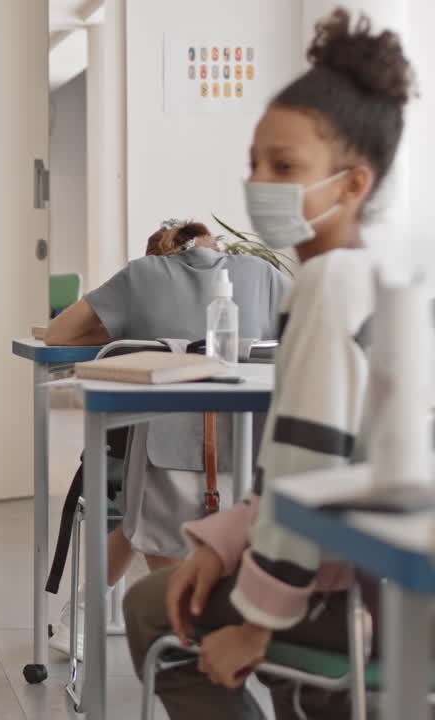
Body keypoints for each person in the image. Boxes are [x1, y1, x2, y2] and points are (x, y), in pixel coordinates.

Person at [122, 10, 412, 718]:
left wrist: (256, 624)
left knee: (152, 609)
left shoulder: (330, 285)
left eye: (284, 167)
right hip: (381, 581)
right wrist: (221, 545)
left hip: (359, 595)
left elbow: (309, 475)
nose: (259, 182)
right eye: (254, 164)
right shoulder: (376, 277)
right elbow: (298, 473)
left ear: (352, 185)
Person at [44, 220, 289, 658]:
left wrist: (132, 335)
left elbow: (58, 333)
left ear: (163, 255)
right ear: (217, 249)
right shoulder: (263, 274)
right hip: (252, 460)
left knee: (134, 512)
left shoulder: (141, 275)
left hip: (158, 461)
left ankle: (82, 615)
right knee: (141, 514)